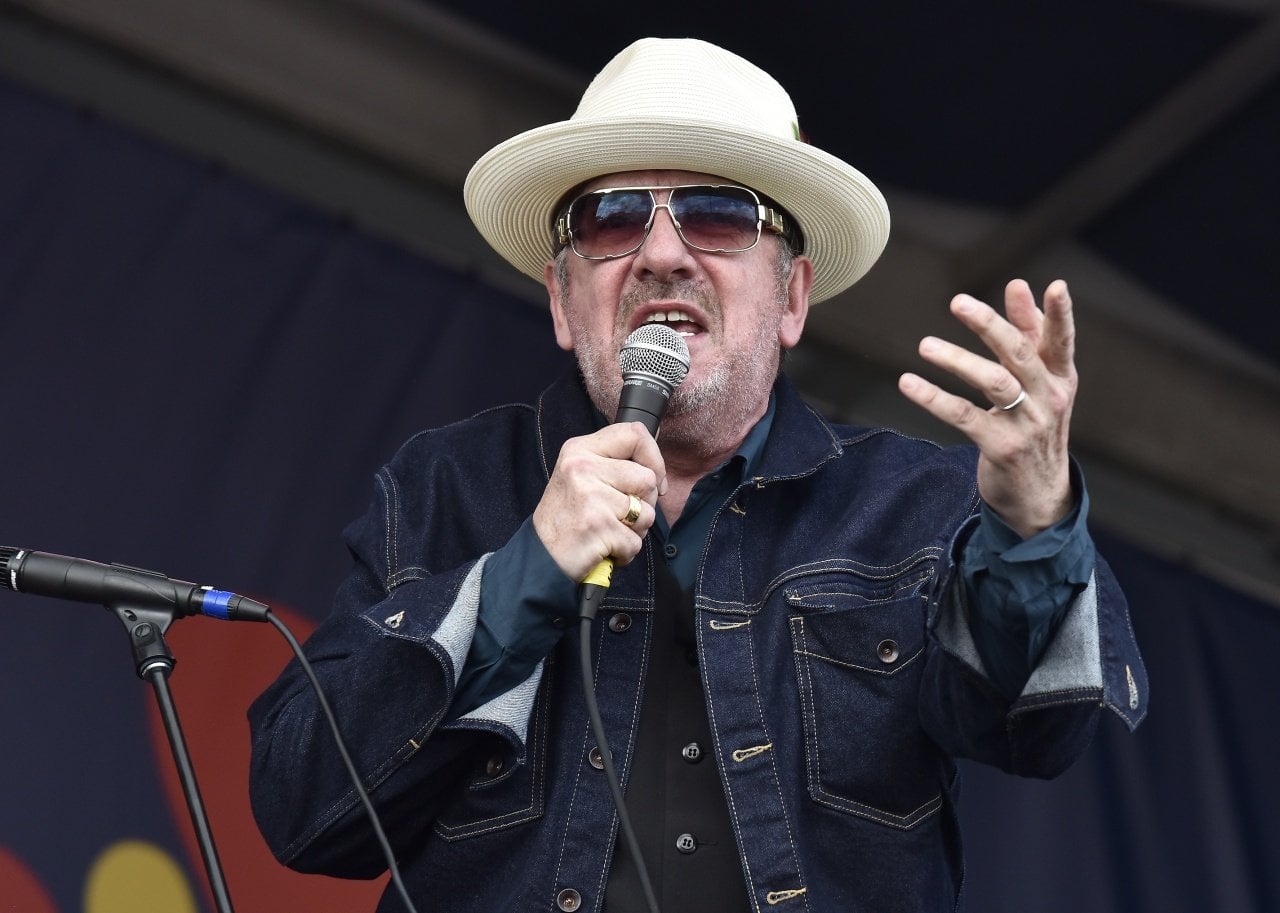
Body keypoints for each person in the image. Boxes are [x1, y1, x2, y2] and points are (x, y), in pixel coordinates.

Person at [248, 37, 1147, 912]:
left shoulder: (916, 507)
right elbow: (304, 811)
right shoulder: (447, 488)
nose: (663, 254)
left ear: (791, 297)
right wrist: (522, 575)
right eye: (613, 219)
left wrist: (1034, 525)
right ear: (564, 301)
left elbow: (1035, 731)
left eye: (718, 215)